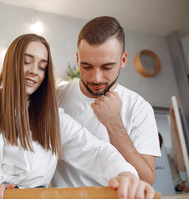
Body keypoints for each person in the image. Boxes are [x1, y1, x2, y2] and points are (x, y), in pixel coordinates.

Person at [0, 33, 155, 199]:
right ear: (11, 63)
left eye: (42, 67)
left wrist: (124, 173)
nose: (34, 71)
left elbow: (94, 150)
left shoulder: (53, 118)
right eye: (26, 62)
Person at [52, 16, 161, 188]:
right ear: (78, 59)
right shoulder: (54, 98)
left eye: (107, 67)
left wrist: (113, 123)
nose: (96, 78)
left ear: (123, 60)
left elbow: (146, 180)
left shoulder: (139, 107)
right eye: (87, 67)